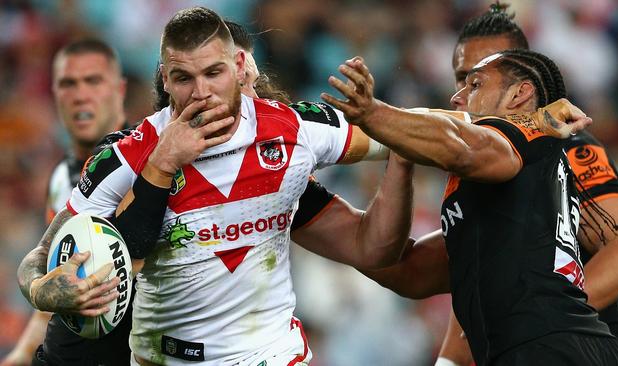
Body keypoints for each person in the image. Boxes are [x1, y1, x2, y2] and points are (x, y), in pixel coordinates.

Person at [17, 8, 415, 366]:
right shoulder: (125, 157)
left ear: (240, 66)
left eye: (213, 73)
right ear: (165, 80)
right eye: (184, 78)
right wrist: (43, 290)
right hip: (159, 356)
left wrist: (465, 127)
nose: (202, 93)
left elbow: (408, 131)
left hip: (271, 355)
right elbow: (39, 258)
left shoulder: (297, 129)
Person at [358, 4, 618, 365]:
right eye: (462, 77)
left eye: (478, 80)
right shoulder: (472, 167)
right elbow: (431, 274)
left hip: (572, 347)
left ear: (520, 89)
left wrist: (536, 320)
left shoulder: (566, 144)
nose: (463, 94)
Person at [2, 39, 129, 366]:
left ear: (120, 89)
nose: (80, 95)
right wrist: (18, 356)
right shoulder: (61, 178)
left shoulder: (146, 168)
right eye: (68, 84)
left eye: (94, 81)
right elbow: (50, 293)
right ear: (55, 94)